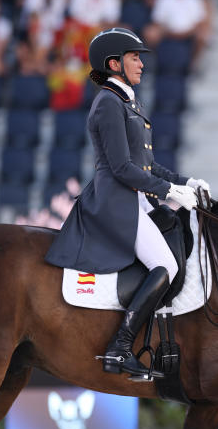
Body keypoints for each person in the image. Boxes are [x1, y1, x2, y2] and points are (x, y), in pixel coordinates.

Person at [45, 28, 209, 377]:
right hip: (116, 201)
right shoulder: (107, 102)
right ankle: (119, 348)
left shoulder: (126, 101)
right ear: (114, 63)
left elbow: (146, 166)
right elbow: (121, 168)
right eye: (135, 58)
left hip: (135, 199)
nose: (141, 64)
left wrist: (184, 182)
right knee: (166, 265)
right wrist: (167, 192)